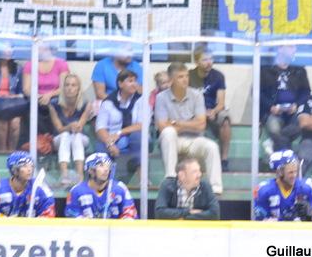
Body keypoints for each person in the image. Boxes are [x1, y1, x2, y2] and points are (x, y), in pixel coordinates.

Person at [155, 62, 223, 195]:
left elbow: (201, 125)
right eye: (180, 77)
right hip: (173, 140)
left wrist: (177, 123)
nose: (185, 79)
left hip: (194, 140)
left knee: (212, 146)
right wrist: (191, 124)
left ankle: (215, 188)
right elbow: (162, 126)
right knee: (168, 132)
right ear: (171, 79)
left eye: (186, 76)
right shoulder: (161, 97)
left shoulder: (196, 95)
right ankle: (170, 180)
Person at [259, 45, 310, 154]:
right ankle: (288, 158)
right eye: (291, 47)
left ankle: (274, 146)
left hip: (294, 111)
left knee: (302, 124)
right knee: (274, 129)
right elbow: (258, 93)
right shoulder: (265, 69)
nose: (295, 49)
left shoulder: (299, 70)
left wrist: (297, 105)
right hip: (272, 112)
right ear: (280, 48)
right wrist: (270, 107)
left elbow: (306, 92)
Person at [95, 69, 145, 178]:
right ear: (120, 84)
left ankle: (142, 177)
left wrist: (120, 132)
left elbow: (142, 125)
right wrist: (110, 144)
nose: (134, 84)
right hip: (111, 138)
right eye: (130, 81)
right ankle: (103, 179)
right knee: (100, 146)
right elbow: (100, 128)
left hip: (131, 137)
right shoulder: (108, 102)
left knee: (139, 137)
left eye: (135, 81)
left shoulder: (141, 100)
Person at [253, 150, 312, 222]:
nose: (294, 175)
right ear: (279, 172)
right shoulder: (263, 190)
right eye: (290, 172)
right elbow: (260, 223)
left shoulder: (309, 187)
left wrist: (311, 214)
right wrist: (283, 221)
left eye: (296, 171)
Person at [65, 153, 137, 219]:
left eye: (108, 166)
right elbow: (71, 215)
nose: (106, 169)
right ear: (90, 170)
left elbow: (130, 213)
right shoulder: (77, 191)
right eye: (101, 165)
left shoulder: (119, 188)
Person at [49, 74, 90, 187]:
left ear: (78, 88)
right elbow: (59, 128)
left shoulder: (86, 104)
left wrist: (75, 127)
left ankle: (80, 176)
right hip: (59, 138)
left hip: (80, 137)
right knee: (66, 135)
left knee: (76, 136)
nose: (70, 88)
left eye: (73, 85)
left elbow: (80, 126)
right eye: (67, 85)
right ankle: (65, 175)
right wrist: (69, 127)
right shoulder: (54, 104)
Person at [155, 157, 220, 220]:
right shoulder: (167, 185)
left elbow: (215, 214)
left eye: (199, 171)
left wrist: (184, 218)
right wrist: (188, 212)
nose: (199, 175)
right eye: (195, 172)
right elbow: (160, 213)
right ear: (182, 175)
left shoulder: (205, 186)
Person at [0, 151, 56, 217]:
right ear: (14, 170)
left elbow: (49, 211)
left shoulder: (39, 187)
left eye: (31, 166)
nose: (29, 169)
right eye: (24, 166)